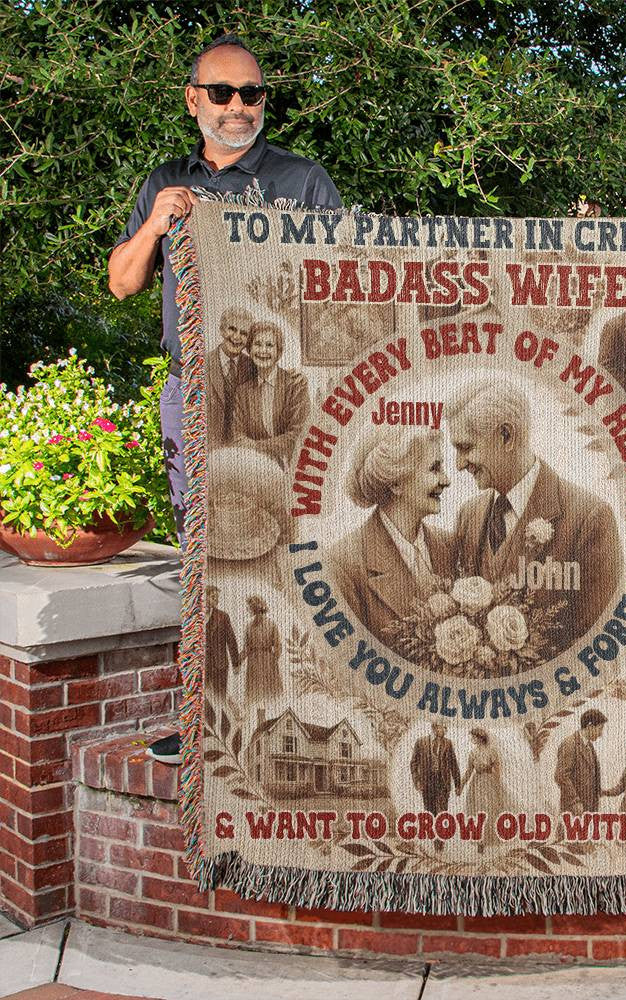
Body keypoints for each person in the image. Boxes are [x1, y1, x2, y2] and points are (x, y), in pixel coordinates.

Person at [113, 34, 341, 766]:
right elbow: (121, 283)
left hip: (277, 405)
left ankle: (288, 721)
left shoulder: (303, 182)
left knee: (287, 555)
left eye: (252, 94)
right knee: (201, 561)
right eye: (223, 93)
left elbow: (338, 288)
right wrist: (156, 222)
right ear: (193, 100)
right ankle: (205, 724)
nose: (239, 107)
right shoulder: (163, 183)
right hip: (195, 395)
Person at [447, 380, 621, 655]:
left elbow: (599, 649)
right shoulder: (468, 516)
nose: (458, 464)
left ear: (506, 436)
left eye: (466, 448)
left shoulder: (590, 518)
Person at [331, 426, 453, 657]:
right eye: (434, 468)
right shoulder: (344, 563)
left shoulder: (450, 545)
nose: (446, 480)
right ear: (396, 483)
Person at [231, 320, 309, 468]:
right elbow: (237, 437)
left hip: (293, 468)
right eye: (258, 344)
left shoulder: (295, 384)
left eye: (269, 345)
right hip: (254, 467)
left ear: (279, 352)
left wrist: (255, 447)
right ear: (249, 349)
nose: (263, 351)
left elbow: (297, 435)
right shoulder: (242, 392)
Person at [207, 307, 256, 443]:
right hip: (211, 446)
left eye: (244, 333)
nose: (236, 337)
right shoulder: (204, 364)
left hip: (239, 447)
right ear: (222, 330)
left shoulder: (253, 366)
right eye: (232, 329)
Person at [410, 722, 462, 848]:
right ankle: (435, 841)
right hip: (427, 784)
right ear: (434, 728)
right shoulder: (421, 742)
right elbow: (413, 763)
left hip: (443, 783)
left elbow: (453, 764)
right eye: (443, 727)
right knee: (430, 813)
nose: (445, 729)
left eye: (446, 727)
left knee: (442, 813)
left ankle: (440, 844)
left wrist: (457, 784)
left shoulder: (448, 743)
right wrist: (417, 781)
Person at [458, 728, 508, 851]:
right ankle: (480, 842)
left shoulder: (492, 751)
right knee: (478, 810)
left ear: (480, 738)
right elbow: (469, 771)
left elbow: (497, 770)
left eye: (474, 737)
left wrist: (497, 785)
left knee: (490, 809)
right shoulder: (473, 753)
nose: (472, 739)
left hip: (489, 782)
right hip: (477, 784)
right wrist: (461, 785)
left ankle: (491, 839)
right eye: (472, 737)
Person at [554, 708, 607, 815]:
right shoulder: (570, 744)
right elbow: (561, 776)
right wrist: (575, 802)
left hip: (588, 808)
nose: (601, 734)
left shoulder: (589, 745)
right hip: (573, 810)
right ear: (590, 727)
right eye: (600, 729)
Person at [241, 594, 283, 705]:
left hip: (268, 663)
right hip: (253, 664)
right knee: (254, 695)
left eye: (253, 606)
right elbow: (246, 648)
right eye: (251, 607)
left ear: (260, 607)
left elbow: (278, 646)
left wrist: (273, 661)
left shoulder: (271, 624)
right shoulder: (249, 627)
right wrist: (237, 660)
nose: (253, 610)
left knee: (270, 695)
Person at [205, 584, 240, 703]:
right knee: (205, 699)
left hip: (220, 665)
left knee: (220, 698)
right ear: (205, 597)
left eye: (217, 597)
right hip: (203, 665)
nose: (217, 600)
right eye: (214, 597)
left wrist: (236, 663)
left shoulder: (223, 616)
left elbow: (231, 640)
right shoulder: (195, 616)